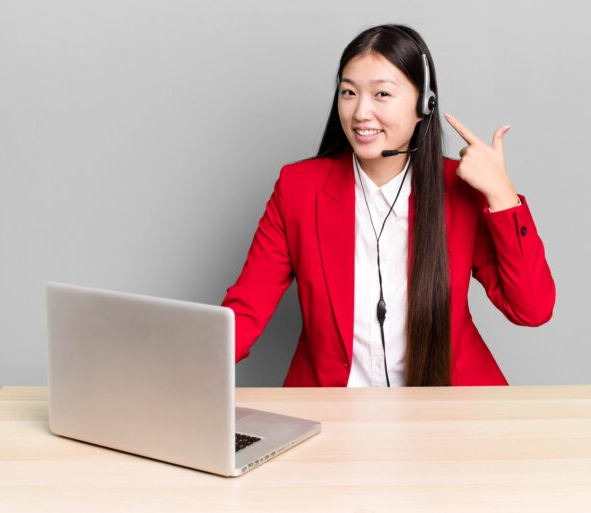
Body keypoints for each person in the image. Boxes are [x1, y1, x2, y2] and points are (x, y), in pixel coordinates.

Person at [221, 23, 556, 387]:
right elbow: (247, 310)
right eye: (349, 93)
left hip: (450, 410)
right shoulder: (299, 189)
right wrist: (187, 369)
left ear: (423, 105)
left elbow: (532, 309)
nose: (361, 112)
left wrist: (502, 196)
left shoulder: (459, 189)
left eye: (381, 94)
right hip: (331, 411)